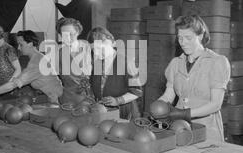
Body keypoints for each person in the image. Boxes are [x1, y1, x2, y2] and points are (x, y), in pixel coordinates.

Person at [152, 14, 231, 143]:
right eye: (180, 38)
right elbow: (168, 95)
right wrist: (157, 108)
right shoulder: (175, 63)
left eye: (188, 38)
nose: (183, 42)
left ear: (200, 36)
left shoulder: (217, 62)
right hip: (179, 128)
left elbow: (216, 104)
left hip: (207, 132)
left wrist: (185, 113)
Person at [0, 30, 63, 104]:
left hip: (57, 100)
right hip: (51, 97)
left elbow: (13, 85)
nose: (19, 48)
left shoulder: (37, 63)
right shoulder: (37, 57)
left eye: (21, 44)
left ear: (30, 44)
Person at [87, 27, 144, 120]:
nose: (96, 53)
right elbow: (94, 85)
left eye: (100, 48)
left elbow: (137, 92)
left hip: (124, 112)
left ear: (112, 42)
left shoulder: (126, 62)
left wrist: (118, 100)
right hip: (103, 111)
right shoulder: (98, 63)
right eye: (94, 49)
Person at [56, 17, 94, 106]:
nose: (68, 38)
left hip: (89, 96)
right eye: (64, 35)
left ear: (77, 32)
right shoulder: (58, 51)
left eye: (71, 34)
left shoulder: (87, 46)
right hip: (68, 98)